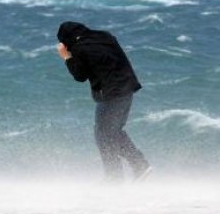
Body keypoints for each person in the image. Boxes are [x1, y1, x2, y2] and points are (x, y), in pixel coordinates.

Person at [57, 21, 151, 182]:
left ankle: (123, 173)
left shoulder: (79, 48)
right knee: (112, 133)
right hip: (127, 87)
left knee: (103, 135)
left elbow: (80, 76)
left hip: (111, 94)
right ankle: (128, 170)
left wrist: (66, 57)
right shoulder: (105, 36)